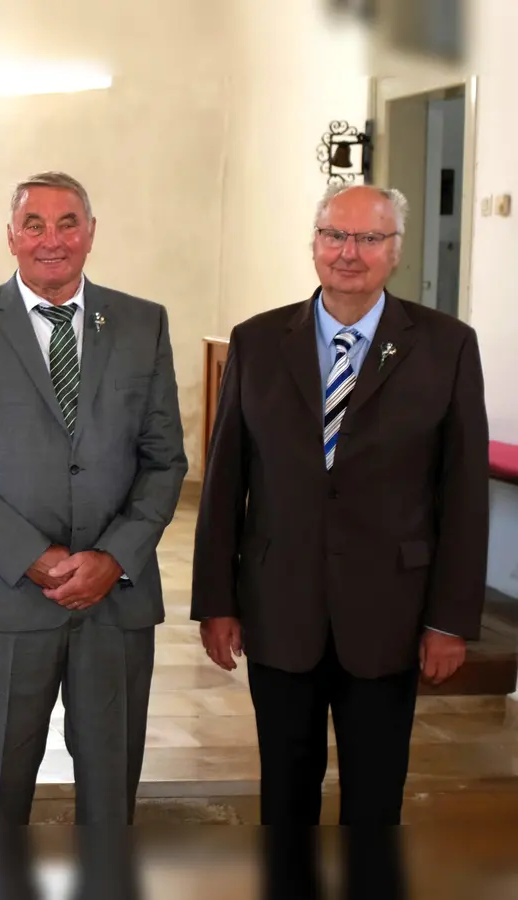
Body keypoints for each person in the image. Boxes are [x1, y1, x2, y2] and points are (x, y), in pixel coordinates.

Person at [192, 184, 487, 832]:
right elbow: (225, 481)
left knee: (376, 796)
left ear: (396, 251)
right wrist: (216, 600)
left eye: (368, 238)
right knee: (285, 795)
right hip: (279, 604)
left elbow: (464, 494)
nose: (348, 253)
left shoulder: (446, 346)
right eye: (334, 235)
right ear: (315, 243)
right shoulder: (258, 341)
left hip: (390, 612)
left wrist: (450, 619)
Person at [0, 172, 187, 825]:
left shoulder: (141, 322)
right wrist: (33, 556)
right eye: (34, 224)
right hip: (6, 594)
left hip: (115, 598)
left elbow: (165, 459)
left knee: (110, 787)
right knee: (2, 788)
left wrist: (114, 557)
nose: (51, 239)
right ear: (10, 236)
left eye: (67, 222)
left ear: (91, 233)